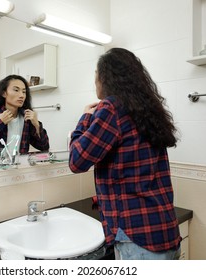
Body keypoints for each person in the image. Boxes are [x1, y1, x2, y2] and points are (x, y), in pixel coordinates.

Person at [68, 48, 181, 260]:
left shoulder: (111, 108)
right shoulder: (147, 110)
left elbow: (77, 161)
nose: (94, 82)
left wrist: (84, 118)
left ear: (105, 77)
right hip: (165, 229)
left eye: (95, 75)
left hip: (137, 239)